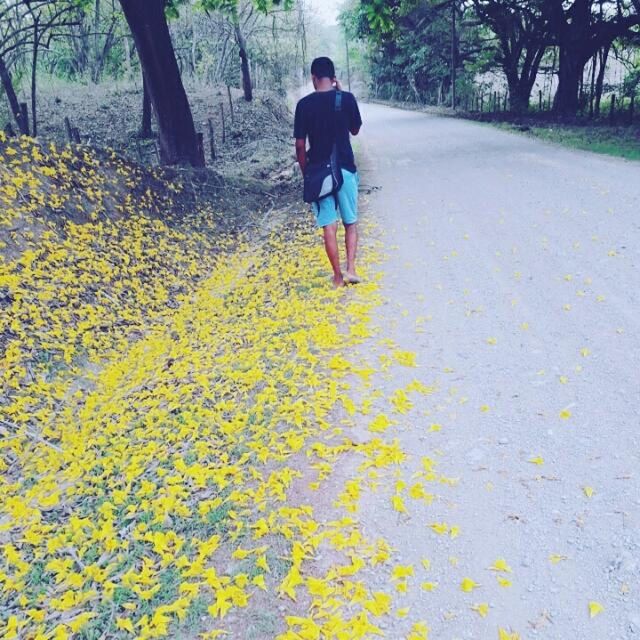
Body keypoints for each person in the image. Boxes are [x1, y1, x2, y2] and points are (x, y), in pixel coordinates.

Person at [294, 56, 363, 288]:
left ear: (314, 78)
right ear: (333, 78)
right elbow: (354, 130)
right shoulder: (347, 99)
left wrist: (306, 173)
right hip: (345, 168)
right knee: (350, 222)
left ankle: (337, 277)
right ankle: (351, 268)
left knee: (328, 225)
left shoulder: (303, 106)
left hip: (318, 172)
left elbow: (300, 146)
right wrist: (342, 94)